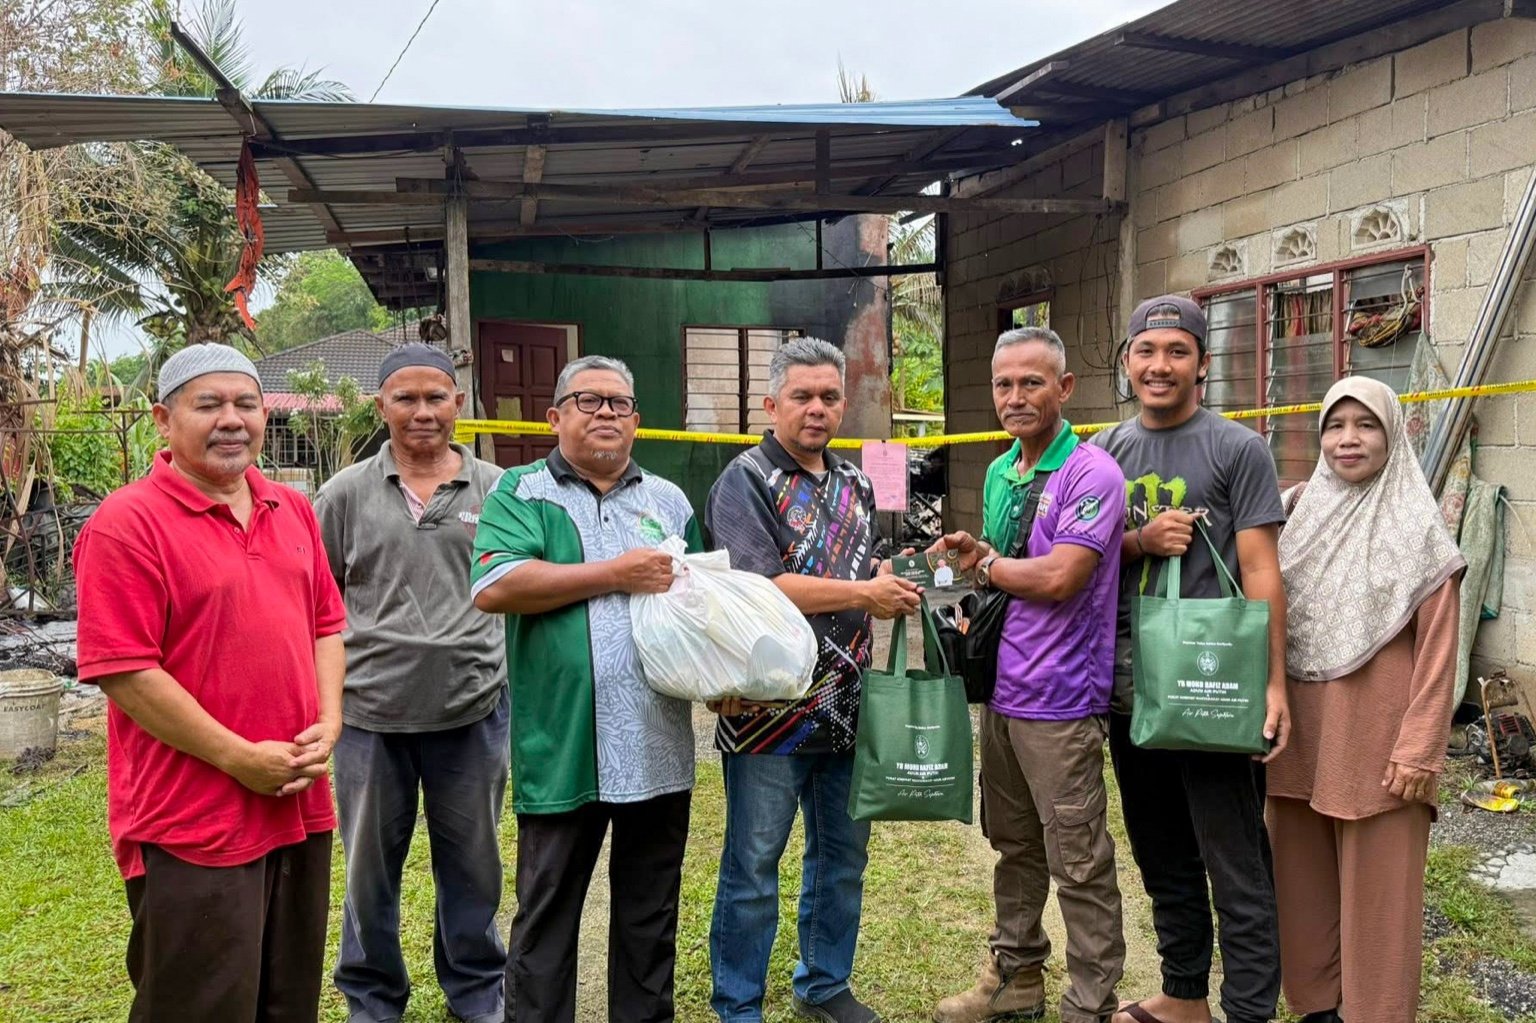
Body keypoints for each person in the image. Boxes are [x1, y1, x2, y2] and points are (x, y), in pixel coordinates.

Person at [72, 343, 346, 1023]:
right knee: (201, 1002)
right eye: (209, 404)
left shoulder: (291, 507)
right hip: (193, 815)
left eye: (245, 403)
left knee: (287, 999)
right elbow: (125, 671)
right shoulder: (127, 523)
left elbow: (326, 625)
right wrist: (236, 756)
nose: (232, 419)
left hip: (298, 799)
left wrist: (331, 723)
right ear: (163, 419)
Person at [471, 354, 700, 1023]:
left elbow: (703, 601)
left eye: (619, 403)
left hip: (657, 747)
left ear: (638, 421)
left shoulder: (669, 501)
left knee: (649, 917)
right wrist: (613, 573)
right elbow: (496, 584)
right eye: (587, 400)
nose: (605, 412)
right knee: (545, 920)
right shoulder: (521, 492)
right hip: (562, 745)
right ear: (555, 416)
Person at [705, 336, 920, 1023]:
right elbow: (759, 585)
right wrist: (864, 592)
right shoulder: (744, 479)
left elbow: (874, 564)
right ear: (770, 404)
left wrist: (909, 572)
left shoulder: (856, 481)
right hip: (769, 710)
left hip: (850, 707)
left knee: (841, 858)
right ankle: (737, 1004)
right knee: (753, 867)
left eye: (830, 395)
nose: (818, 408)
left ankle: (824, 982)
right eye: (802, 396)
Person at [1090, 295, 1290, 1023]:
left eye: (1177, 351)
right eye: (1146, 351)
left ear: (1203, 364)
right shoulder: (1106, 450)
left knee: (1234, 861)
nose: (1159, 365)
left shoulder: (1238, 448)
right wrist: (1140, 541)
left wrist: (1275, 684)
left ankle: (1246, 1010)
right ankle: (1183, 994)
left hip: (1212, 686)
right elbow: (1079, 558)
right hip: (1130, 685)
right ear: (1127, 362)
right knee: (1162, 851)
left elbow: (1262, 569)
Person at [932, 326, 1127, 1023]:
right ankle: (1015, 975)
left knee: (1077, 859)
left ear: (1064, 388)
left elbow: (1060, 576)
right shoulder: (1000, 471)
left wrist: (986, 564)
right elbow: (1004, 576)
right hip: (1005, 695)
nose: (1015, 397)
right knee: (1014, 844)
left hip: (1063, 700)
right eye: (1004, 384)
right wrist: (974, 558)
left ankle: (1090, 1004)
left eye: (1032, 382)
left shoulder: (1093, 472)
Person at [315, 343, 509, 1023]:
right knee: (369, 873)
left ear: (459, 403)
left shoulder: (496, 488)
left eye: (436, 398)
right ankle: (372, 997)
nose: (422, 412)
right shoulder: (343, 495)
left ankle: (478, 988)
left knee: (475, 866)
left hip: (473, 710)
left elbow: (519, 586)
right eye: (406, 398)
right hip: (370, 716)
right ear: (382, 406)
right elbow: (315, 602)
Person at [1266, 378, 1464, 1023]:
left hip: (1380, 742)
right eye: (1335, 426)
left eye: (1366, 425)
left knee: (1381, 898)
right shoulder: (1296, 513)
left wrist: (1420, 748)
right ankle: (1317, 1008)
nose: (1348, 439)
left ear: (1393, 434)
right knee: (1299, 885)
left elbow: (1438, 650)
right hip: (1299, 735)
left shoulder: (1418, 528)